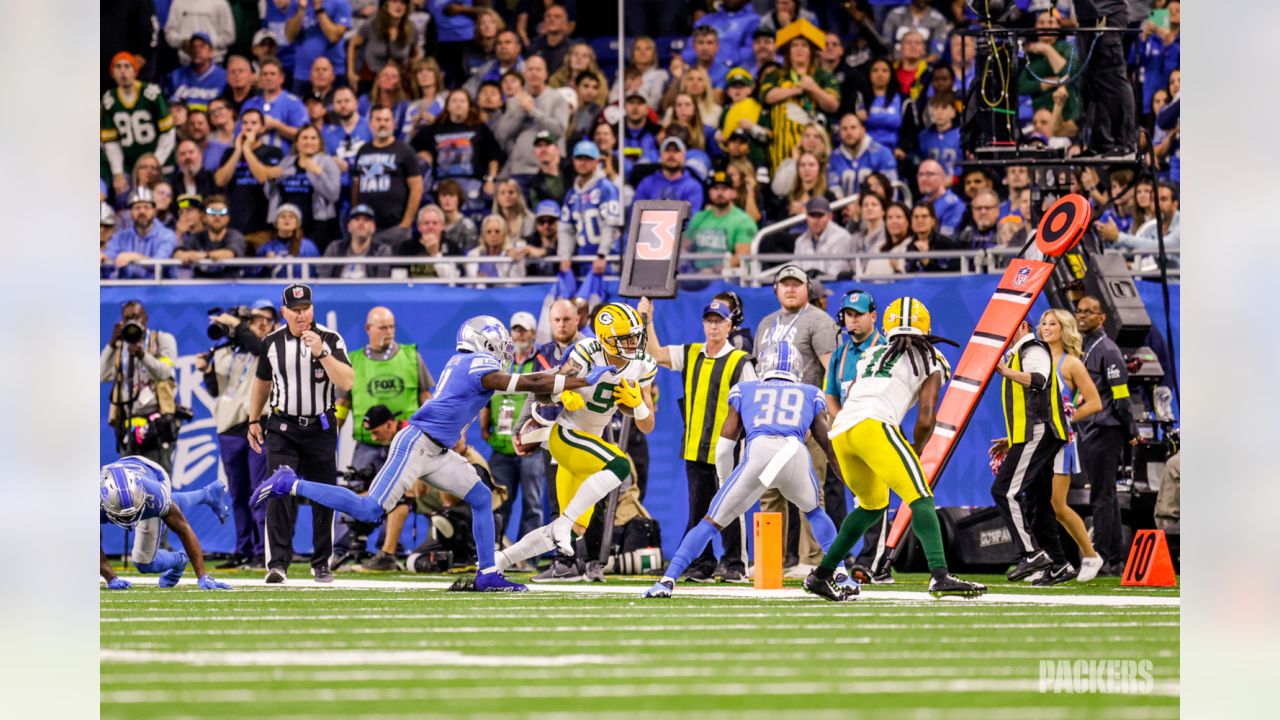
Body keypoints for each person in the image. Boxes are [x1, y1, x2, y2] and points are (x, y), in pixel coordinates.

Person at [256, 315, 613, 591]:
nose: (503, 350)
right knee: (368, 511)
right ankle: (292, 483)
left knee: (480, 496)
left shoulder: (468, 362)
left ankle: (487, 572)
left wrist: (567, 373)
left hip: (438, 450)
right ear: (484, 343)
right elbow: (530, 383)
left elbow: (537, 380)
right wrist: (584, 379)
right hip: (417, 443)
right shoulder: (477, 365)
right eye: (499, 344)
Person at [805, 297, 987, 601]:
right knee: (921, 496)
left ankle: (821, 575)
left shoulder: (873, 353)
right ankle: (940, 575)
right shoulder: (931, 357)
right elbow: (927, 416)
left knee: (872, 506)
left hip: (843, 428)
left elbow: (853, 394)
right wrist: (916, 446)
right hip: (874, 426)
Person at [645, 341, 856, 598]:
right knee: (814, 512)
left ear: (763, 365)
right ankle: (842, 573)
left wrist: (725, 478)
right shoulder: (810, 392)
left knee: (711, 522)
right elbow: (828, 446)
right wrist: (850, 482)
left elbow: (725, 444)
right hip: (795, 453)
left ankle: (668, 580)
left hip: (759, 453)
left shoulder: (746, 389)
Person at [494, 303, 658, 582]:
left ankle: (499, 560)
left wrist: (638, 407)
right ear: (607, 339)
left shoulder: (643, 365)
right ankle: (566, 524)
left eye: (635, 337)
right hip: (566, 436)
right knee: (619, 466)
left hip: (587, 447)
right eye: (627, 339)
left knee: (569, 531)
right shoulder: (587, 353)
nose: (635, 344)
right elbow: (545, 391)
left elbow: (648, 425)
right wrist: (561, 394)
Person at [245, 284, 354, 584]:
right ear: (284, 313)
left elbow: (348, 380)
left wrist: (322, 352)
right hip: (282, 426)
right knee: (279, 493)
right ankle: (277, 564)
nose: (301, 314)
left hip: (320, 427)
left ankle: (321, 563)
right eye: (295, 310)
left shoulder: (331, 339)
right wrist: (254, 419)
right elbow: (262, 382)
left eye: (306, 308)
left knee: (324, 496)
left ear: (313, 309)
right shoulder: (272, 343)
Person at [641, 297, 755, 583]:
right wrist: (648, 319)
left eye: (719, 322)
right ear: (703, 324)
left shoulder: (741, 361)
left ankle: (735, 562)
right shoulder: (691, 353)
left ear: (729, 326)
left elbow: (752, 404)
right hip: (694, 445)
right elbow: (654, 353)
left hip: (727, 448)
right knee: (698, 509)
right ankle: (704, 562)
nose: (714, 327)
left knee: (731, 505)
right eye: (709, 321)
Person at [332, 305, 436, 571]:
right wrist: (331, 432)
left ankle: (388, 551)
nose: (388, 332)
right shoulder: (354, 361)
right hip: (366, 444)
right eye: (382, 327)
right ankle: (342, 550)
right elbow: (342, 402)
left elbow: (427, 398)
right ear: (368, 329)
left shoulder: (411, 357)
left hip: (403, 444)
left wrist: (436, 430)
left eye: (391, 327)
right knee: (353, 495)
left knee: (399, 497)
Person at [755, 264, 838, 571]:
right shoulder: (766, 323)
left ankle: (812, 559)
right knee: (768, 490)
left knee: (810, 491)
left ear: (808, 289)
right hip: (769, 422)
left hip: (806, 421)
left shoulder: (819, 320)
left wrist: (823, 415)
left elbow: (833, 370)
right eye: (784, 284)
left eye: (796, 284)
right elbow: (757, 372)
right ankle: (770, 560)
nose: (790, 289)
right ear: (776, 289)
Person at [990, 318, 1073, 585]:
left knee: (1004, 490)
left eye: (1010, 326)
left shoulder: (1032, 349)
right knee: (1038, 501)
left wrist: (1006, 372)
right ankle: (1059, 564)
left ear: (1023, 325)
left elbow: (1038, 380)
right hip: (1034, 431)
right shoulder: (1021, 352)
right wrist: (1010, 438)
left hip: (1038, 430)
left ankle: (1031, 554)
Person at [199, 302, 278, 569]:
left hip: (256, 424)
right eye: (257, 319)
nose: (262, 324)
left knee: (259, 491)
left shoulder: (267, 346)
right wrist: (207, 372)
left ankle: (261, 551)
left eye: (268, 320)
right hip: (228, 428)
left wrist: (237, 326)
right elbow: (217, 391)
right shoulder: (224, 352)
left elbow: (257, 346)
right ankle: (243, 549)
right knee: (238, 494)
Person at [1035, 308, 1106, 583]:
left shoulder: (1071, 363)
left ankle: (1090, 555)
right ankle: (1047, 562)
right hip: (1036, 441)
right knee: (1038, 504)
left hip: (1060, 443)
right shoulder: (1035, 360)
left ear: (1064, 329)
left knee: (1057, 504)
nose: (1046, 327)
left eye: (1052, 323)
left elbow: (1095, 402)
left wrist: (1065, 419)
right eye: (1043, 323)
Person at [1074, 294, 1140, 574]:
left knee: (1101, 497)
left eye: (1089, 312)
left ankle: (1100, 556)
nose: (1082, 316)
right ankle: (1114, 558)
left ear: (1102, 318)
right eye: (1079, 311)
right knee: (1106, 495)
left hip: (1106, 430)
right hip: (1091, 430)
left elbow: (1121, 396)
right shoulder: (1086, 347)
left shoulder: (1108, 350)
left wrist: (1132, 430)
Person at [99, 456, 232, 591]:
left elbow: (183, 528)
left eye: (133, 513)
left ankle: (180, 558)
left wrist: (203, 576)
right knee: (166, 506)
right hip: (122, 474)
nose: (130, 519)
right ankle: (207, 494)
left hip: (153, 473)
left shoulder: (154, 494)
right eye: (124, 515)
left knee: (144, 562)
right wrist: (111, 578)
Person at [480, 312, 548, 547]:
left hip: (531, 444)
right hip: (501, 446)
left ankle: (528, 554)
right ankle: (495, 548)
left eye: (523, 330)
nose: (519, 334)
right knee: (499, 501)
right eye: (515, 330)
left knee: (533, 502)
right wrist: (484, 428)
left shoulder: (541, 361)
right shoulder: (499, 362)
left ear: (533, 334)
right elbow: (486, 397)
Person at [101, 300, 181, 474]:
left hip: (157, 424)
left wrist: (142, 355)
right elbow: (102, 375)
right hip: (127, 425)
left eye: (136, 317)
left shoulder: (162, 340)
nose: (132, 321)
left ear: (145, 319)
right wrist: (111, 344)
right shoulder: (120, 345)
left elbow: (165, 372)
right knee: (130, 488)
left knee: (158, 485)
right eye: (127, 318)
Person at [760, 19, 840, 173]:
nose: (799, 50)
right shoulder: (776, 75)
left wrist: (813, 88)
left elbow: (833, 105)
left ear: (811, 51)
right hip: (780, 148)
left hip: (815, 150)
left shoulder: (823, 76)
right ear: (788, 52)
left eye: (804, 46)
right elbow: (767, 96)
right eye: (795, 45)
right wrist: (794, 90)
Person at [257, 124, 344, 250]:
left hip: (318, 224)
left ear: (319, 143)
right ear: (297, 143)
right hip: (288, 224)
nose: (309, 142)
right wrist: (270, 181)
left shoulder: (327, 162)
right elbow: (270, 195)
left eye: (313, 138)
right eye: (305, 138)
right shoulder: (286, 162)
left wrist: (318, 173)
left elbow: (334, 195)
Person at [103, 52, 176, 198]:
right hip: (130, 166)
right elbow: (111, 141)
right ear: (112, 73)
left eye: (127, 66)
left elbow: (168, 132)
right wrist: (117, 172)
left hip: (160, 161)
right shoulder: (109, 100)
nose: (123, 71)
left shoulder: (151, 94)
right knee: (125, 199)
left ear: (135, 70)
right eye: (118, 67)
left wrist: (155, 162)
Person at [353, 104, 424, 246]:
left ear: (393, 123)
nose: (382, 124)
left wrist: (406, 223)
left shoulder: (405, 151)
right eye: (378, 120)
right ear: (370, 123)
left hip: (395, 227)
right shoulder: (363, 151)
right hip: (366, 227)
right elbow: (356, 185)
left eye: (386, 120)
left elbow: (416, 187)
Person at [492, 55, 569, 184]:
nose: (534, 73)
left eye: (538, 70)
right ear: (524, 74)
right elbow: (502, 135)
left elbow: (559, 131)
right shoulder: (514, 101)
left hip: (550, 170)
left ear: (546, 74)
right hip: (520, 170)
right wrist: (521, 111)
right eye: (530, 69)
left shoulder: (557, 99)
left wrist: (532, 111)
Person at [1074, 0, 1137, 156]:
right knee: (1092, 83)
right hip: (1087, 17)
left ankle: (1124, 142)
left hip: (1106, 15)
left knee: (1112, 80)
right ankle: (1102, 143)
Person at [214, 109, 284, 244]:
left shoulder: (273, 152)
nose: (248, 127)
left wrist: (246, 149)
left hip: (262, 227)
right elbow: (220, 180)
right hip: (233, 226)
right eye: (245, 123)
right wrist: (238, 151)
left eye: (253, 123)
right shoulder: (230, 153)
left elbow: (262, 177)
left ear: (263, 128)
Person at [557, 140, 622, 275]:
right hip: (584, 261)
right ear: (574, 161)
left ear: (597, 161)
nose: (583, 163)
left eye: (588, 159)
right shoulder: (572, 194)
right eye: (579, 158)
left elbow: (611, 224)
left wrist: (602, 254)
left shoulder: (606, 188)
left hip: (607, 262)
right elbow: (565, 229)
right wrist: (565, 255)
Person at [684, 169, 759, 271]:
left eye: (724, 188)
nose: (719, 193)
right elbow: (683, 247)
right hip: (695, 274)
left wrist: (714, 271)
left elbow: (741, 257)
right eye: (715, 188)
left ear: (733, 193)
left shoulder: (744, 221)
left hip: (727, 277)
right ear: (709, 193)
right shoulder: (699, 217)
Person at [102, 188, 179, 280]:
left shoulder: (167, 235)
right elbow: (109, 257)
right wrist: (103, 258)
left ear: (154, 211)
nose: (142, 211)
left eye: (146, 207)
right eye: (137, 208)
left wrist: (135, 257)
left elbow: (160, 263)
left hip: (159, 290)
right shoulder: (120, 236)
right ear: (130, 212)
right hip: (126, 291)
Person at [282, 0, 354, 95]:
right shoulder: (297, 3)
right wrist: (301, 10)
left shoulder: (340, 3)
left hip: (333, 73)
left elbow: (333, 37)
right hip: (303, 73)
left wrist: (318, 8)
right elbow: (289, 36)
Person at [240, 58, 308, 152]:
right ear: (259, 78)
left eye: (272, 74)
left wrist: (277, 126)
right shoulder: (250, 104)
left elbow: (305, 136)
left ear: (281, 78)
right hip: (253, 158)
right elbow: (239, 135)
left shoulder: (294, 103)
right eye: (265, 74)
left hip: (285, 160)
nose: (269, 78)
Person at [173, 194, 246, 278]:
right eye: (212, 212)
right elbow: (178, 253)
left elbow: (229, 253)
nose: (217, 216)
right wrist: (184, 255)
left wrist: (203, 256)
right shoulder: (197, 237)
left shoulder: (235, 235)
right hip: (200, 287)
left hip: (229, 286)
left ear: (228, 218)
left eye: (222, 212)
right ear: (204, 217)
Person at [828, 113, 897, 199]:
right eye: (844, 129)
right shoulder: (834, 157)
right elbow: (833, 187)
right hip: (843, 210)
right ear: (839, 133)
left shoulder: (882, 153)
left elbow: (890, 190)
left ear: (863, 129)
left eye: (853, 127)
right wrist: (846, 206)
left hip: (876, 208)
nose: (849, 132)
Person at [317, 204, 394, 278]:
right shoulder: (335, 248)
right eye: (357, 219)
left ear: (373, 227)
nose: (361, 223)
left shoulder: (382, 251)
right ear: (349, 227)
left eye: (366, 220)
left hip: (370, 291)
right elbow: (323, 280)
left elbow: (382, 284)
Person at [633, 136, 705, 212]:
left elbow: (692, 219)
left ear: (684, 157)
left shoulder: (693, 187)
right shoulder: (647, 183)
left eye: (676, 151)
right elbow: (635, 214)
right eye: (667, 150)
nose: (671, 154)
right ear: (660, 156)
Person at [793, 196, 853, 278]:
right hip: (808, 287)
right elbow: (796, 271)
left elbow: (837, 271)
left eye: (820, 215)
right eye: (812, 215)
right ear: (806, 216)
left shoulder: (841, 237)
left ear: (830, 216)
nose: (816, 220)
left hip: (835, 287)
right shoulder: (800, 241)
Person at [167, 32, 227, 111]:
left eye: (202, 46)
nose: (197, 50)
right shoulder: (176, 75)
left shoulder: (224, 77)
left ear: (211, 52)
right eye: (193, 47)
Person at [397, 204, 460, 279]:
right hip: (414, 289)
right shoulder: (406, 247)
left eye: (435, 223)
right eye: (426, 223)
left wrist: (435, 254)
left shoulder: (452, 247)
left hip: (442, 290)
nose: (430, 227)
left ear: (442, 226)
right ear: (419, 227)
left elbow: (453, 279)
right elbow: (398, 278)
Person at [257, 204, 321, 276]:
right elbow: (255, 276)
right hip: (275, 287)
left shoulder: (308, 246)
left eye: (291, 217)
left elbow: (316, 273)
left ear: (297, 223)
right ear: (276, 223)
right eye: (283, 216)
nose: (287, 219)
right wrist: (266, 266)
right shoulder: (266, 247)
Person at [467, 214, 527, 284]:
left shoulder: (513, 254)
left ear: (504, 234)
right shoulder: (473, 255)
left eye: (497, 231)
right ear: (483, 236)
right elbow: (471, 282)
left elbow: (516, 283)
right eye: (489, 232)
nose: (493, 235)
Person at [915, 159, 964, 237]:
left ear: (942, 177)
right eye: (920, 175)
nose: (923, 179)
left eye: (929, 174)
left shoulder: (953, 204)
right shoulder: (921, 203)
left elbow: (947, 239)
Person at [527, 130, 569, 207]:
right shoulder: (535, 185)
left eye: (547, 144)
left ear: (557, 149)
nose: (543, 149)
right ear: (534, 152)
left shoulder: (573, 168)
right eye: (539, 146)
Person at [526, 2, 572, 71]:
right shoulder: (534, 46)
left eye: (557, 17)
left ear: (565, 23)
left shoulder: (571, 49)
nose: (551, 19)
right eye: (548, 16)